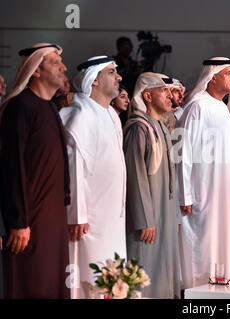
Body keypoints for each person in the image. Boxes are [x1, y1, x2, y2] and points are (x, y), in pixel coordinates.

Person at [0, 43, 70, 298]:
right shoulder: (20, 107)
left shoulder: (50, 107)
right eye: (54, 62)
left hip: (52, 219)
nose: (63, 67)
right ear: (36, 70)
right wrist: (18, 221)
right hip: (29, 223)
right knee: (31, 282)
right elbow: (12, 166)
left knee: (52, 282)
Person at [59, 56, 127, 298]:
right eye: (111, 72)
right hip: (89, 218)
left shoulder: (110, 115)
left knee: (111, 269)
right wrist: (77, 214)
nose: (118, 77)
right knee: (89, 271)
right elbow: (74, 168)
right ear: (94, 80)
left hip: (112, 216)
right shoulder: (81, 116)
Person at [176, 57, 230, 288]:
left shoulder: (221, 107)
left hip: (225, 192)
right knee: (204, 246)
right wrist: (184, 194)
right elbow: (183, 152)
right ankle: (198, 293)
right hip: (202, 191)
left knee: (225, 240)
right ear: (212, 77)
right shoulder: (197, 106)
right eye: (228, 74)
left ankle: (225, 288)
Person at [123, 72, 181, 298]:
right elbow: (135, 176)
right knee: (146, 272)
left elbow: (171, 178)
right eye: (164, 91)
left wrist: (175, 214)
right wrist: (144, 219)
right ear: (147, 95)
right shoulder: (139, 127)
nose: (170, 96)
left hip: (164, 213)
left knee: (164, 270)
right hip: (148, 219)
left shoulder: (162, 127)